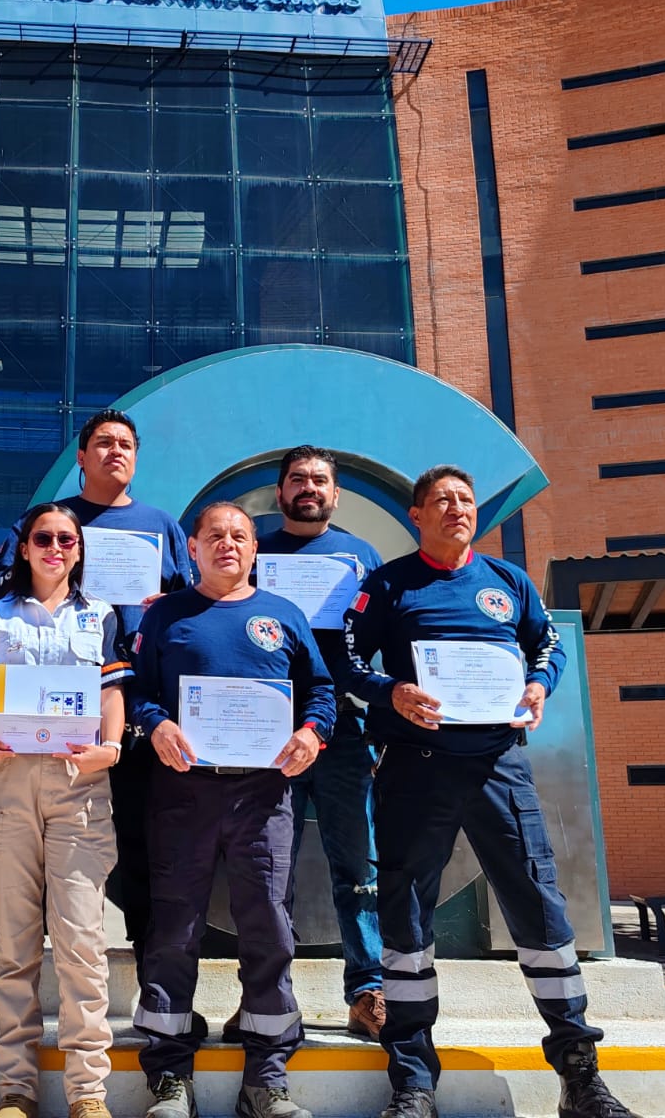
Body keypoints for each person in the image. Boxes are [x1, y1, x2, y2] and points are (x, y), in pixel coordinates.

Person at [341, 465, 642, 1118]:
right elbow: (351, 661)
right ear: (417, 515)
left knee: (540, 911)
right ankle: (413, 1082)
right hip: (416, 769)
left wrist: (539, 685)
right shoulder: (387, 585)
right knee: (406, 920)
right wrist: (391, 692)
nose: (458, 508)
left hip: (499, 767)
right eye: (443, 500)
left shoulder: (509, 582)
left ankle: (580, 1077)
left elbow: (548, 647)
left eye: (466, 500)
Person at [0, 408, 194, 1041]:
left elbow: (192, 598)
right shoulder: (48, 520)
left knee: (141, 856)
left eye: (125, 444)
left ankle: (154, 988)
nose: (115, 451)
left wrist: (166, 603)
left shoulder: (160, 526)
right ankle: (5, 1001)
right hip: (44, 726)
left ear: (135, 458)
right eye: (103, 443)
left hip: (132, 709)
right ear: (82, 455)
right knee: (25, 868)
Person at [131, 501, 336, 1118]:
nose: (228, 544)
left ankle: (266, 1079)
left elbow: (321, 690)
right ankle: (170, 1075)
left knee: (268, 925)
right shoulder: (165, 615)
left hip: (264, 798)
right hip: (182, 794)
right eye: (214, 535)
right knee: (174, 929)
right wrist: (156, 723)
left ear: (254, 549)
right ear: (192, 548)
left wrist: (312, 734)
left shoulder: (284, 614)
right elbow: (134, 689)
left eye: (240, 536)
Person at [0, 503, 131, 1118]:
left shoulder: (102, 615)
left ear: (79, 550)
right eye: (44, 538)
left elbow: (111, 691)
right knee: (15, 946)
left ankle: (88, 1092)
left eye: (67, 540)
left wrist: (112, 747)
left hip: (78, 785)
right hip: (6, 783)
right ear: (24, 547)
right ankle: (16, 1090)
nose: (56, 548)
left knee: (82, 944)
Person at [248, 446, 385, 1041]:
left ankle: (368, 990)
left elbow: (381, 637)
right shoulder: (253, 550)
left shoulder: (361, 556)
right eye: (298, 479)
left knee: (358, 866)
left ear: (336, 494)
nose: (309, 487)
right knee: (267, 869)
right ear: (280, 492)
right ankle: (268, 994)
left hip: (343, 731)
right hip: (265, 731)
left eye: (320, 480)